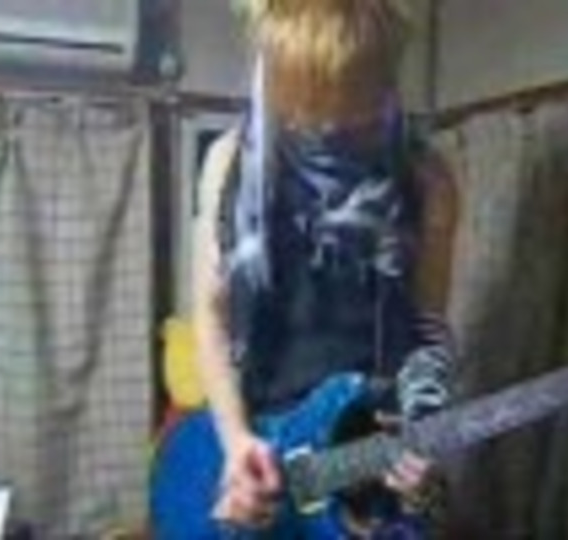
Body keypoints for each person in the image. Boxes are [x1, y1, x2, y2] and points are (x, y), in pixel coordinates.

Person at [192, 0, 460, 535]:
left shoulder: (428, 179)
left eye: (351, 103)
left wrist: (425, 432)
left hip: (369, 461)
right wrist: (234, 440)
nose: (329, 124)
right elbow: (210, 316)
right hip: (265, 456)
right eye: (308, 103)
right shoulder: (227, 162)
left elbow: (428, 328)